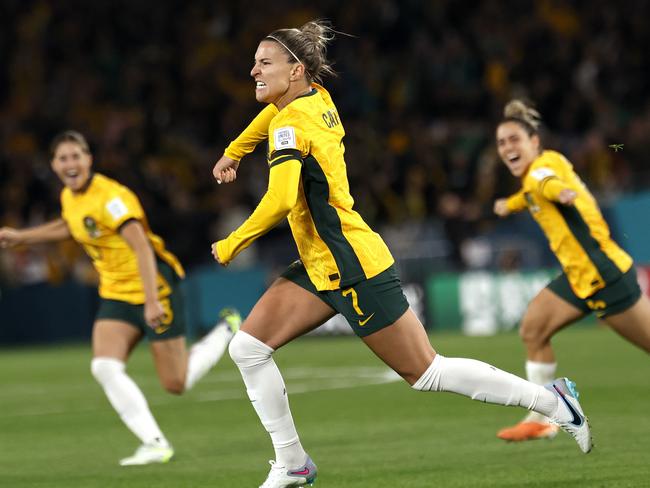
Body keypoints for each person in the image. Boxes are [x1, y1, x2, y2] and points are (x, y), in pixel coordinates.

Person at [211, 21, 593, 488]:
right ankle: (292, 463)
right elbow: (270, 118)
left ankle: (553, 403)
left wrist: (234, 240)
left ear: (296, 71)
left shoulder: (293, 123)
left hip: (351, 264)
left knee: (428, 372)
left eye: (264, 62)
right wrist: (236, 150)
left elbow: (282, 198)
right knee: (248, 348)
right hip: (319, 262)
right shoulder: (314, 99)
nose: (252, 70)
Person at [0, 131, 241, 466]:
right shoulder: (71, 198)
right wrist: (21, 238)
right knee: (104, 366)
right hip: (115, 291)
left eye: (76, 156)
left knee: (176, 382)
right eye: (63, 158)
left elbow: (141, 245)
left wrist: (152, 300)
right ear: (54, 165)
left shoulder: (112, 196)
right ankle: (155, 443)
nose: (70, 164)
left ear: (89, 160)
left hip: (153, 286)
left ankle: (227, 329)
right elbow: (73, 226)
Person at [493, 100, 650, 442]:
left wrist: (560, 192)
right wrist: (509, 204)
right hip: (579, 277)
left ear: (535, 142)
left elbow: (545, 184)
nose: (507, 148)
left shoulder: (541, 172)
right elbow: (532, 194)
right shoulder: (543, 172)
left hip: (604, 277)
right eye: (502, 142)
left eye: (514, 139)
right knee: (533, 329)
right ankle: (545, 416)